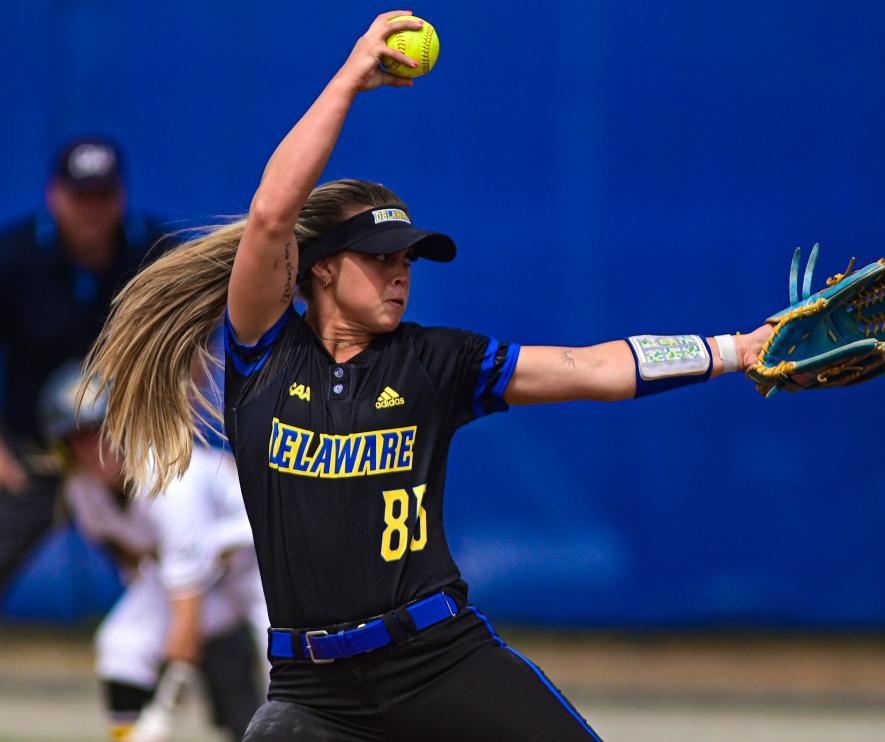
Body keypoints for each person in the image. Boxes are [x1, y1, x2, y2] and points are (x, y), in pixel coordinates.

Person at [83, 12, 774, 741]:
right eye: (380, 256)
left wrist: (735, 349)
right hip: (312, 694)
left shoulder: (436, 361)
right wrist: (352, 78)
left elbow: (592, 368)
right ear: (319, 267)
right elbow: (270, 214)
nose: (399, 272)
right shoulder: (265, 357)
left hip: (438, 662)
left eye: (407, 258)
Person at [38, 360, 270, 742]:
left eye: (100, 429)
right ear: (64, 450)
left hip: (260, 572)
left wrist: (162, 711)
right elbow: (124, 549)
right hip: (201, 577)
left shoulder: (169, 481)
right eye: (78, 437)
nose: (95, 447)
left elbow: (187, 617)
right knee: (121, 643)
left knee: (288, 673)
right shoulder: (82, 491)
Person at [0, 136, 171, 590]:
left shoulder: (156, 255)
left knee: (174, 562)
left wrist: (165, 431)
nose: (91, 210)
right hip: (32, 455)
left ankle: (207, 658)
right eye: (80, 197)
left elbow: (194, 347)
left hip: (122, 451)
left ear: (121, 196)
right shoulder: (12, 258)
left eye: (103, 196)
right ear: (55, 195)